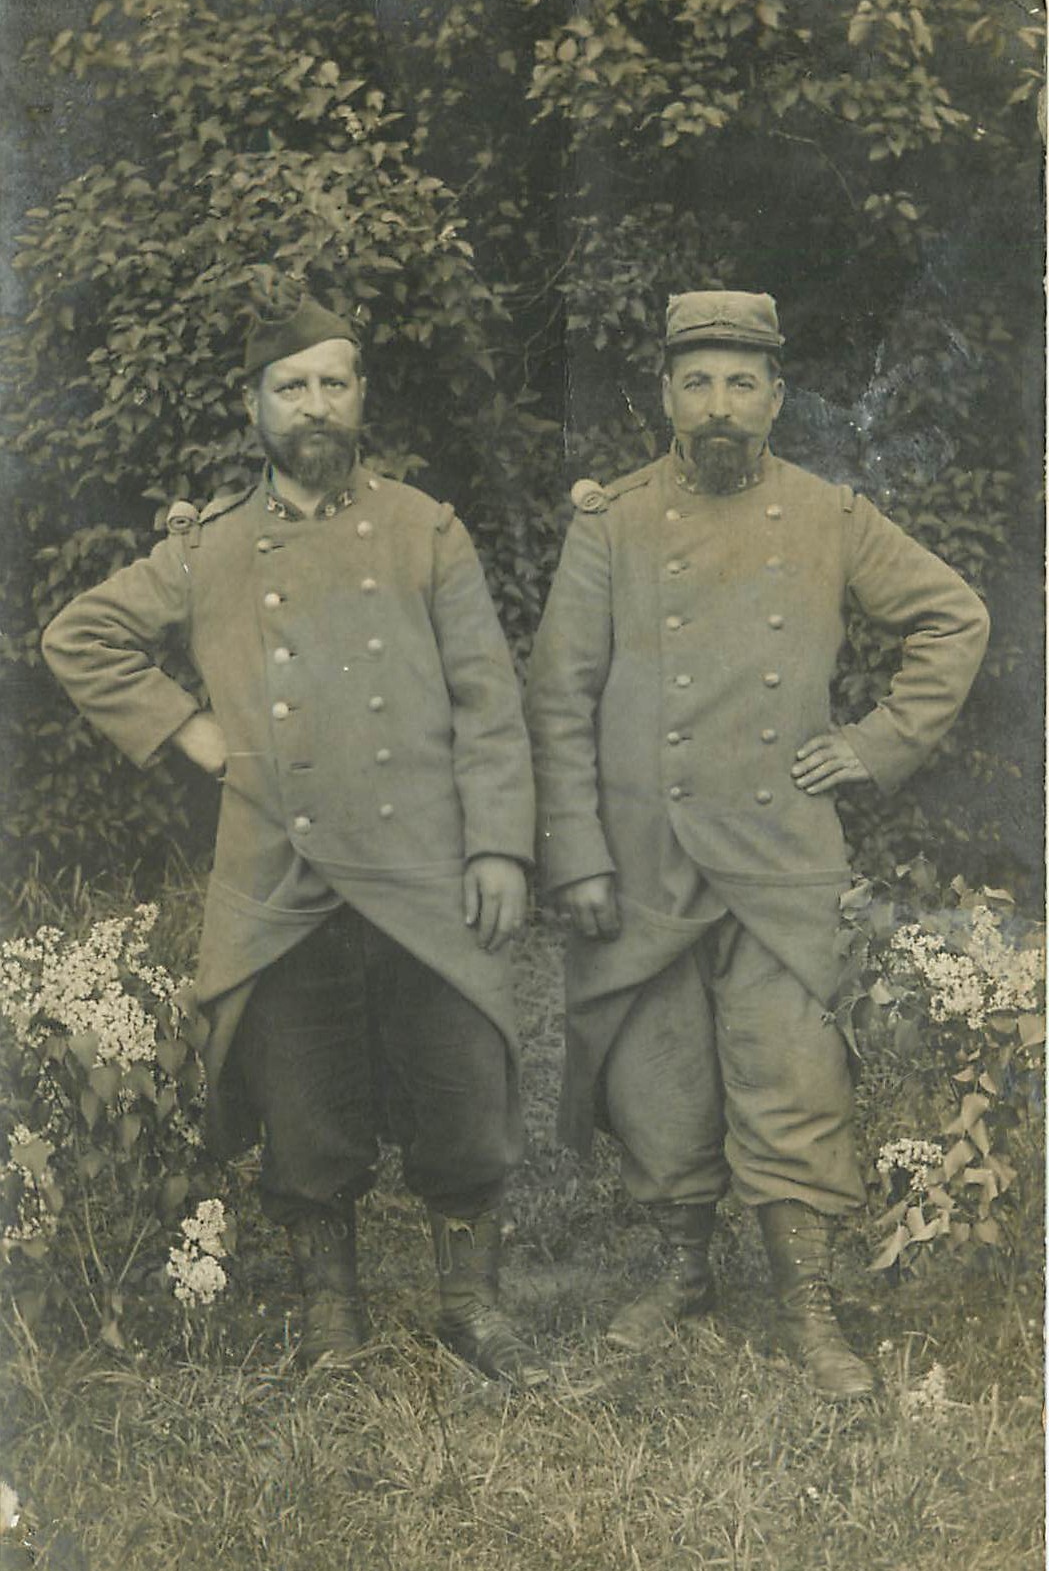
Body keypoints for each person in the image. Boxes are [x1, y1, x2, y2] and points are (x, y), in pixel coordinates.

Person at [42, 295, 547, 1388]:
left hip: (422, 863)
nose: (313, 405)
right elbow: (79, 635)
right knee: (304, 1099)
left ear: (360, 399)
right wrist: (190, 727)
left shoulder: (425, 528)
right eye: (291, 385)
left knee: (460, 1082)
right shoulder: (210, 549)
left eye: (332, 383)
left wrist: (498, 846)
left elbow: (486, 701)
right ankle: (333, 1312)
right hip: (286, 873)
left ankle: (472, 1302)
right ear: (254, 404)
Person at [524, 290, 990, 1400]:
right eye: (697, 381)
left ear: (777, 398)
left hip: (781, 846)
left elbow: (951, 616)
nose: (719, 405)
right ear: (664, 396)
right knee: (654, 1070)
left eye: (742, 382)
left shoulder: (828, 515)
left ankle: (805, 1305)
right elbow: (556, 693)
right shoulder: (614, 522)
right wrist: (576, 851)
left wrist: (874, 742)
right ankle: (679, 1271)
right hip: (643, 848)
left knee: (791, 1071)